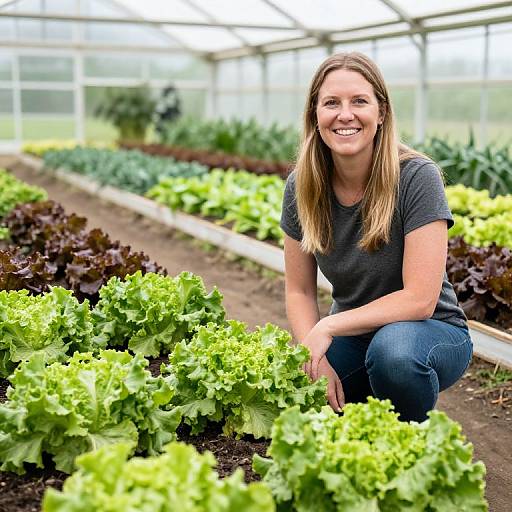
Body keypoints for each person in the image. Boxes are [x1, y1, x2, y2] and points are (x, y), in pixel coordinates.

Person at [280, 52, 472, 422]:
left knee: (394, 355)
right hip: (357, 335)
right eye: (331, 103)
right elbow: (299, 290)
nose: (345, 114)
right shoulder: (301, 187)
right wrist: (312, 355)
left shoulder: (416, 177)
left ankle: (411, 449)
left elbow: (419, 300)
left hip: (431, 332)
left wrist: (329, 326)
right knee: (303, 393)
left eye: (359, 101)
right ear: (315, 115)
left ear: (381, 113)